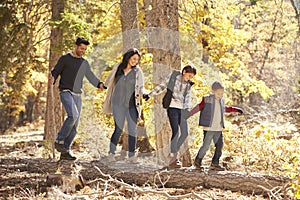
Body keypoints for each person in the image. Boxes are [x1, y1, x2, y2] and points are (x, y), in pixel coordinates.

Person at [49, 37, 105, 160]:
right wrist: (53, 77)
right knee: (73, 115)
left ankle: (65, 151)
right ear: (76, 46)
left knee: (75, 126)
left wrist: (99, 84)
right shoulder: (65, 59)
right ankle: (59, 140)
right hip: (66, 91)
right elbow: (56, 70)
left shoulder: (84, 63)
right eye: (81, 48)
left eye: (85, 49)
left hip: (77, 95)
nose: (83, 51)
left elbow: (90, 76)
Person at [144, 65, 197, 168]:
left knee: (185, 132)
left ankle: (173, 152)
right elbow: (162, 86)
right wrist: (150, 94)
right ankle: (174, 158)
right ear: (184, 72)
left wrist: (187, 109)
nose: (190, 78)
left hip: (182, 109)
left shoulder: (188, 84)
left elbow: (187, 98)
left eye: (192, 77)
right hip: (172, 107)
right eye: (189, 75)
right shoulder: (173, 77)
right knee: (176, 132)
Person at [189, 81, 243, 171]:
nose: (220, 95)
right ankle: (197, 161)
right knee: (206, 145)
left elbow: (226, 108)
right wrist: (189, 114)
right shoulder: (207, 99)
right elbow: (198, 107)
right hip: (209, 128)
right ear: (213, 91)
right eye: (218, 93)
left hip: (218, 128)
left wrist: (236, 109)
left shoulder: (221, 101)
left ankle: (215, 163)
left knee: (219, 145)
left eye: (222, 93)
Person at [103, 48, 145, 159]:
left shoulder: (137, 71)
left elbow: (141, 87)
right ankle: (111, 153)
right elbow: (109, 80)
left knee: (132, 130)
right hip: (117, 103)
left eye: (137, 60)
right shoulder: (118, 67)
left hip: (132, 105)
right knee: (118, 129)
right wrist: (102, 86)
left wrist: (144, 94)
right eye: (134, 58)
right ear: (128, 57)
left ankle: (131, 156)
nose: (135, 61)